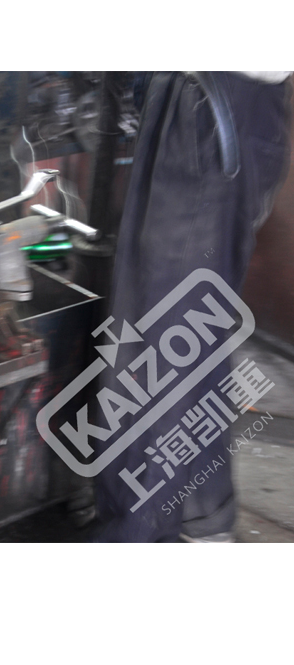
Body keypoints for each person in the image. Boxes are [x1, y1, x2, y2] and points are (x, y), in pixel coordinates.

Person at [92, 71, 292, 542]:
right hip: (235, 105)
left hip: (207, 104)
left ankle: (140, 535)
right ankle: (202, 518)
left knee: (160, 344)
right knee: (194, 332)